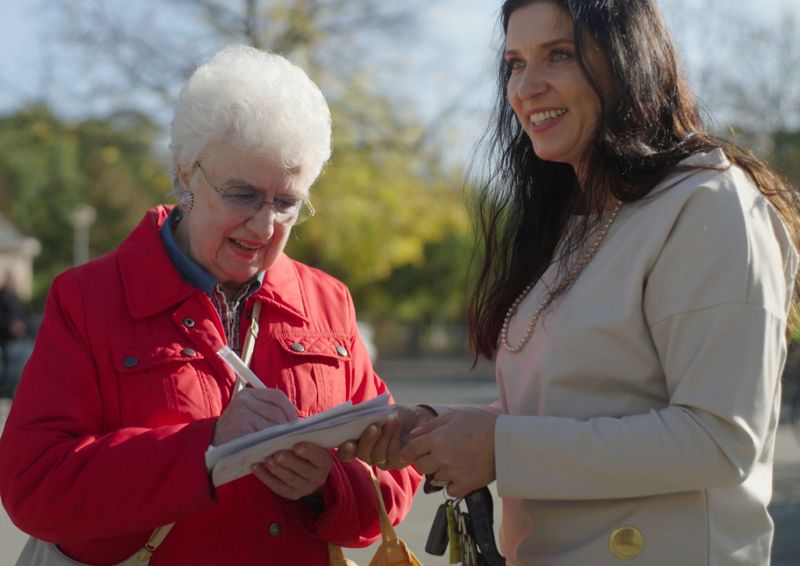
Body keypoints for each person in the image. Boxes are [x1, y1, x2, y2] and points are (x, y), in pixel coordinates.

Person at [340, 1, 800, 564]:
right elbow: (576, 405)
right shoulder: (576, 221)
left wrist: (498, 448)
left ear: (631, 63)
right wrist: (442, 428)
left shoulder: (711, 205)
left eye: (559, 55)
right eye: (514, 63)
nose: (526, 87)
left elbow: (720, 439)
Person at [0, 45, 420, 565]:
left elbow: (394, 477)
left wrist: (324, 486)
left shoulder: (327, 301)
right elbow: (35, 487)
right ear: (186, 177)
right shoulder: (89, 298)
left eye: (287, 202)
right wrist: (207, 448)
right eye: (243, 195)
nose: (265, 226)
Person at [0, 273, 27, 396]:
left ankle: (11, 391)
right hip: (5, 338)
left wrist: (21, 325)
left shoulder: (17, 297)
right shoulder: (2, 296)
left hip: (17, 339)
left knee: (18, 367)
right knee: (7, 368)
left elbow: (23, 314)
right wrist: (10, 326)